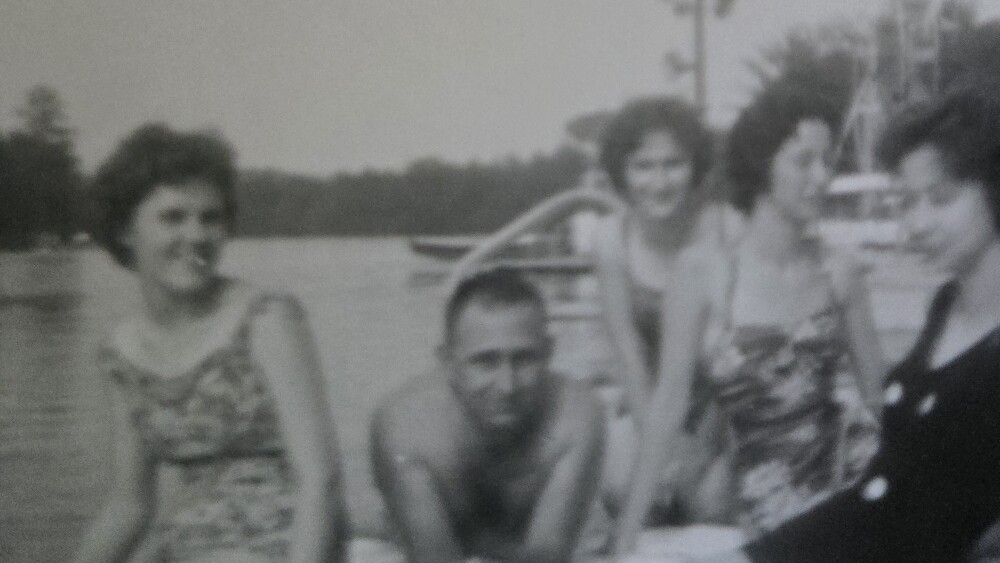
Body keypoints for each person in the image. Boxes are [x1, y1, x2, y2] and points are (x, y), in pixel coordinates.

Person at [685, 80, 1000, 563]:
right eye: (907, 202)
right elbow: (890, 495)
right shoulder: (947, 305)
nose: (915, 225)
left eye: (940, 198)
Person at [613, 80, 886, 557]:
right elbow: (665, 411)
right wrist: (625, 541)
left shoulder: (839, 272)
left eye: (828, 162)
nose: (822, 178)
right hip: (767, 499)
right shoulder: (703, 275)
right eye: (804, 161)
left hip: (852, 470)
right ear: (761, 166)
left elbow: (882, 400)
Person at [449, 97, 731, 524]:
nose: (658, 182)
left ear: (696, 169)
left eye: (673, 164)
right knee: (626, 489)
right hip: (649, 406)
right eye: (643, 166)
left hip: (726, 405)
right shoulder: (612, 240)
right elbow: (630, 359)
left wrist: (697, 449)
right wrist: (665, 449)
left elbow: (734, 354)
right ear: (621, 173)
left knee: (710, 504)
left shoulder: (723, 230)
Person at [73, 124, 346, 562]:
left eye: (211, 218)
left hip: (288, 547)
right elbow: (129, 506)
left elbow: (321, 480)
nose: (197, 236)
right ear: (126, 230)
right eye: (173, 217)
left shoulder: (265, 319)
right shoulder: (120, 353)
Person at [370, 268, 606, 563]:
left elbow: (549, 558)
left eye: (524, 359)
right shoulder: (404, 425)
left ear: (549, 353)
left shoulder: (576, 414)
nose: (507, 385)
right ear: (448, 363)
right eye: (485, 361)